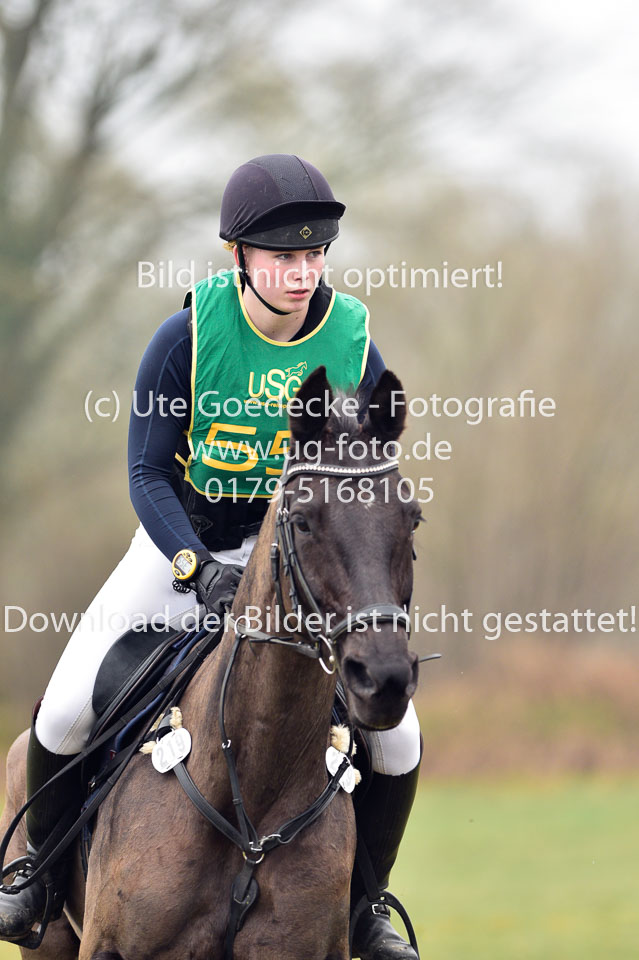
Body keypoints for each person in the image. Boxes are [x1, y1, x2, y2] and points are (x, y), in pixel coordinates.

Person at [0, 154, 422, 958]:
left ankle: (364, 909)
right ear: (238, 256)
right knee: (63, 711)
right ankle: (38, 885)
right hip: (183, 542)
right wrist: (196, 565)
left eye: (313, 255)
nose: (301, 273)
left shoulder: (351, 341)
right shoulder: (187, 338)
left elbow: (361, 485)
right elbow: (147, 474)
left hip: (301, 556)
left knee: (398, 739)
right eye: (282, 257)